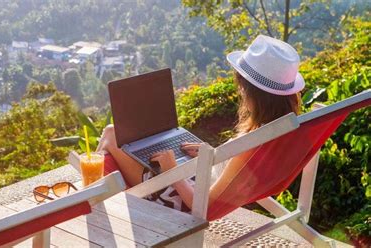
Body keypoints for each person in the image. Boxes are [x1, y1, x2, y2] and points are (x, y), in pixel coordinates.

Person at [96, 35, 304, 212]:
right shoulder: (285, 131)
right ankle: (98, 188)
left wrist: (171, 170)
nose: (240, 91)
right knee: (121, 139)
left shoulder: (250, 146)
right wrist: (213, 155)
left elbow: (202, 206)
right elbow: (235, 175)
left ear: (253, 94)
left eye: (242, 86)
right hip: (197, 180)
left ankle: (93, 196)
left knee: (111, 134)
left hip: (180, 200)